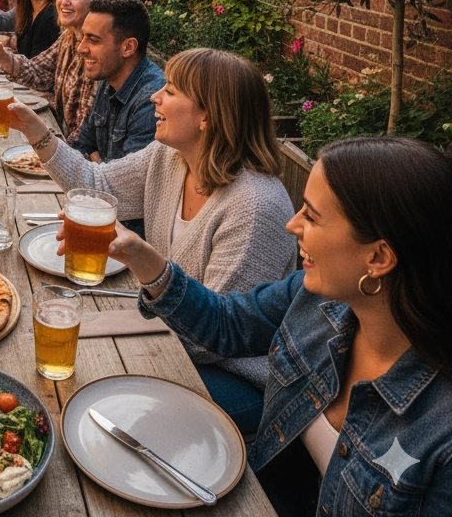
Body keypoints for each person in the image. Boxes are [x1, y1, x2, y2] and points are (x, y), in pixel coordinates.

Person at [101, 136, 452, 516]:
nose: (291, 224)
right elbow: (227, 324)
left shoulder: (441, 427)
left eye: (311, 217)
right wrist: (143, 258)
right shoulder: (312, 298)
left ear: (379, 257)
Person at [8, 47, 296, 433]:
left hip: (237, 378)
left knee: (92, 389)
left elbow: (213, 339)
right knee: (57, 362)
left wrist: (146, 271)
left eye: (171, 91)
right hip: (171, 334)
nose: (154, 96)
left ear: (208, 116)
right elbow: (97, 184)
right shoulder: (169, 157)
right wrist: (36, 132)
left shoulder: (256, 205)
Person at [0, 0, 111, 142]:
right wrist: (3, 57)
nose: (64, 2)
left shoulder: (103, 50)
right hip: (61, 139)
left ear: (96, 2)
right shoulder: (69, 37)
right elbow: (39, 72)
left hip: (75, 149)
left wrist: (51, 147)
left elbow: (88, 131)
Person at [71, 0, 166, 163]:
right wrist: (96, 160)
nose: (81, 48)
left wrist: (98, 164)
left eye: (93, 40)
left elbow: (128, 176)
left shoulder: (151, 99)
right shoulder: (110, 79)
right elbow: (83, 143)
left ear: (128, 47)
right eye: (83, 37)